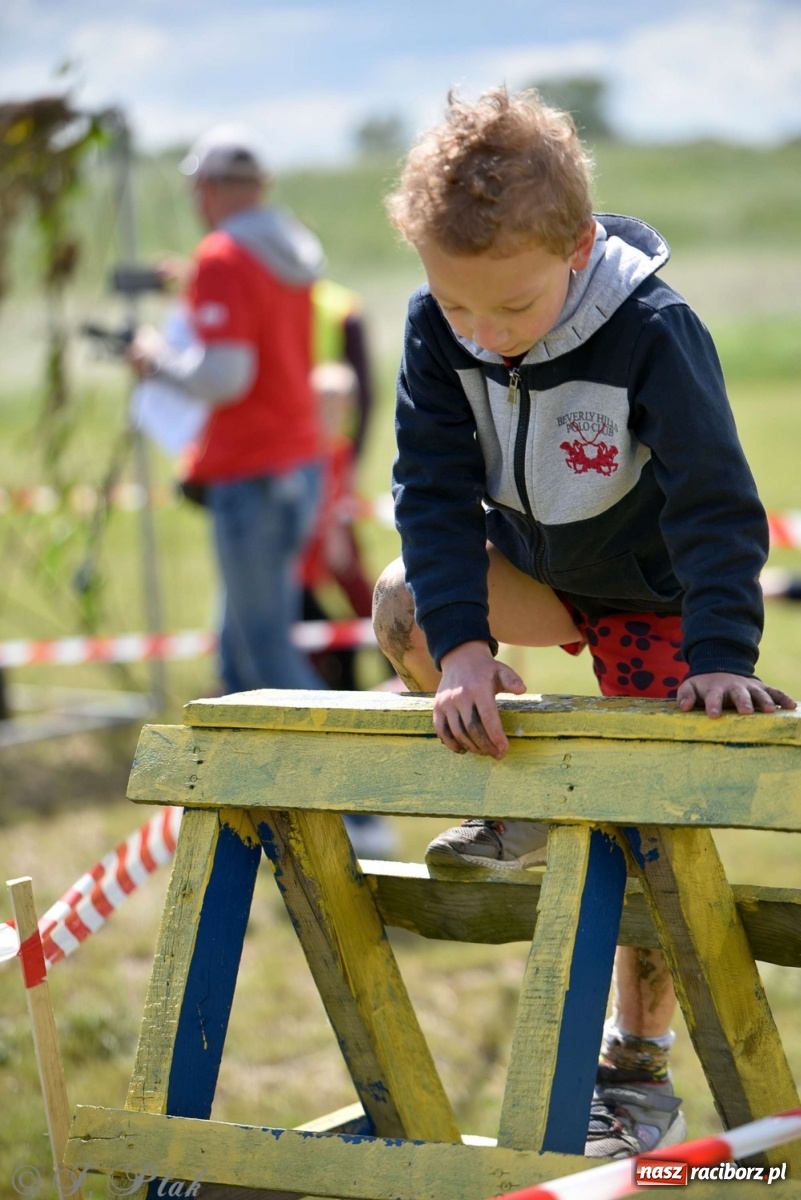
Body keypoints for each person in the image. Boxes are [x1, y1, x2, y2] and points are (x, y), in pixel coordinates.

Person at [371, 87, 797, 1159]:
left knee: (645, 828)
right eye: (457, 306)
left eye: (510, 308)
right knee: (403, 601)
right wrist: (463, 652)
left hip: (656, 596)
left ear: (576, 247)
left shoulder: (653, 329)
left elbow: (716, 503)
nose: (484, 335)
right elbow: (430, 491)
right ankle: (514, 799)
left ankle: (637, 1075)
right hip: (539, 572)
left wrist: (720, 657)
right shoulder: (437, 327)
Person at [127, 125, 327, 693]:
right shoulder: (287, 246)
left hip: (250, 472)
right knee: (243, 660)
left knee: (264, 667)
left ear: (208, 188)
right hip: (298, 464)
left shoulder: (222, 255)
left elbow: (225, 378)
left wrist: (154, 358)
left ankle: (342, 748)